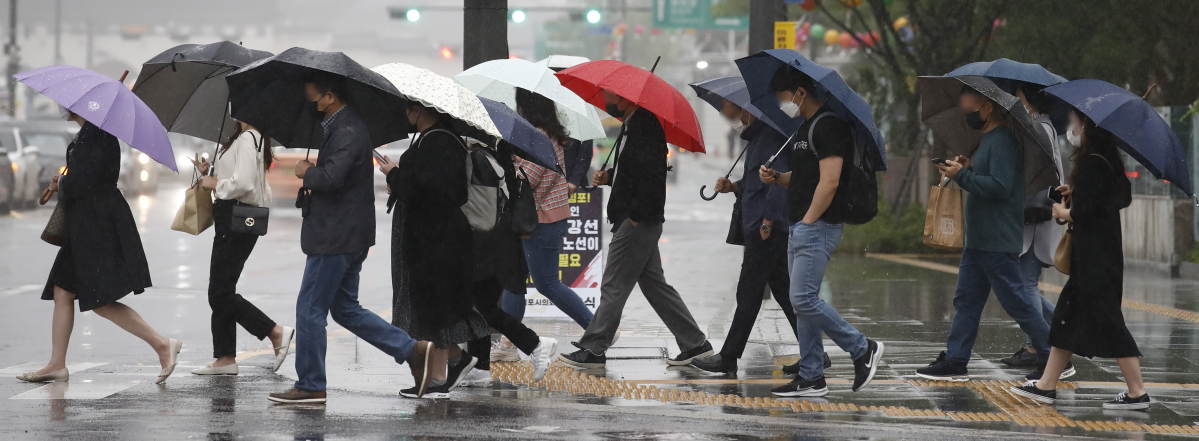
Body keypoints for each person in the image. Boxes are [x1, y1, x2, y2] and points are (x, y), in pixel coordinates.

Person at [269, 74, 433, 404]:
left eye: (313, 99)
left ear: (329, 97)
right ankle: (412, 351)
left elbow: (331, 178)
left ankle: (312, 384)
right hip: (346, 233)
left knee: (310, 307)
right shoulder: (342, 129)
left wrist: (307, 173)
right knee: (344, 309)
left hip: (336, 236)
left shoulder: (346, 130)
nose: (311, 105)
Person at [18, 110, 181, 385]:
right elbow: (84, 178)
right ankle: (57, 363)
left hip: (97, 226)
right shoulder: (89, 134)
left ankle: (163, 344)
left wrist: (64, 183)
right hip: (85, 225)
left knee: (100, 300)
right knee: (63, 290)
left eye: (67, 104)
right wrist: (66, 181)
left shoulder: (98, 135)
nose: (62, 108)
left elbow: (86, 181)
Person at [558, 89, 714, 369]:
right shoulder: (632, 125)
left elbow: (651, 178)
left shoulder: (644, 127)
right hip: (638, 219)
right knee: (655, 286)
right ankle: (695, 344)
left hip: (637, 221)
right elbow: (631, 174)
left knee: (613, 284)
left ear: (625, 98)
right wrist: (609, 179)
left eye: (608, 95)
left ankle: (594, 348)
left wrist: (635, 217)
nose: (605, 101)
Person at [916, 85, 1056, 382]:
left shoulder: (1004, 139)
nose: (962, 105)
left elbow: (1001, 187)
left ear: (987, 105)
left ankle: (1051, 354)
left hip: (996, 239)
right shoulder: (988, 139)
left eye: (967, 98)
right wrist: (966, 168)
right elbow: (987, 178)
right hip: (979, 240)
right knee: (966, 300)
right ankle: (956, 359)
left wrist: (963, 175)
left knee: (1016, 301)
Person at [757, 66, 883, 397]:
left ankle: (862, 348)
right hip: (802, 222)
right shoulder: (807, 127)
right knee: (803, 302)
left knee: (802, 298)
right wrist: (777, 177)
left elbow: (830, 181)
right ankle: (812, 375)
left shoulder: (828, 125)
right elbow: (805, 177)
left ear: (799, 91)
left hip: (817, 225)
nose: (782, 102)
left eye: (783, 95)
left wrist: (810, 220)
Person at [1009, 110, 1146, 409]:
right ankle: (1046, 385)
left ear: (1086, 125)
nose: (1070, 128)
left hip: (1095, 260)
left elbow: (1088, 213)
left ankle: (1137, 392)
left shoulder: (1092, 163)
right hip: (1098, 257)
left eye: (1073, 122)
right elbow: (1111, 199)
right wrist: (1078, 191)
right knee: (1066, 319)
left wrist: (1063, 212)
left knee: (1109, 322)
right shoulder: (1104, 161)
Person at [690, 99, 820, 375]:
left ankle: (728, 357)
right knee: (785, 293)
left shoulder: (771, 137)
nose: (730, 115)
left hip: (765, 228)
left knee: (748, 293)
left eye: (732, 109)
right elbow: (755, 181)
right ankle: (815, 353)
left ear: (750, 109)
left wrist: (768, 221)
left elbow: (776, 182)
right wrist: (732, 186)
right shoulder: (758, 137)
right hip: (763, 226)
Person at [380, 101, 491, 399]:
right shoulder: (436, 140)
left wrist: (393, 174)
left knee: (433, 303)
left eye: (408, 109)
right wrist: (400, 179)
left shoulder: (439, 141)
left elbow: (427, 190)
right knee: (433, 303)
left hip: (435, 238)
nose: (406, 115)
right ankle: (456, 360)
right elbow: (426, 186)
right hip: (433, 235)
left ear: (421, 109)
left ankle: (440, 378)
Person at [190, 121, 295, 376]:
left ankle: (275, 332)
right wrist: (209, 172)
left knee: (219, 292)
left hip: (235, 218)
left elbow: (245, 183)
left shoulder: (249, 137)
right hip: (233, 217)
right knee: (222, 288)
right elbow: (240, 176)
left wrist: (215, 184)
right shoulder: (246, 137)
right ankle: (225, 358)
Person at [496, 88, 594, 351]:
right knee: (514, 280)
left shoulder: (540, 137)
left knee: (547, 283)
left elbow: (528, 179)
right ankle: (509, 342)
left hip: (543, 220)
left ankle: (597, 330)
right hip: (533, 219)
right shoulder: (540, 135)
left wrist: (508, 162)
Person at [1000, 82, 1067, 369]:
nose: (1015, 99)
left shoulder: (1039, 128)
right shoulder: (1044, 126)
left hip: (1035, 219)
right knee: (1025, 286)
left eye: (1018, 95)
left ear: (1027, 97)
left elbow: (1034, 175)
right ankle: (1063, 330)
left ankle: (1037, 347)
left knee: (1025, 285)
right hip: (1036, 218)